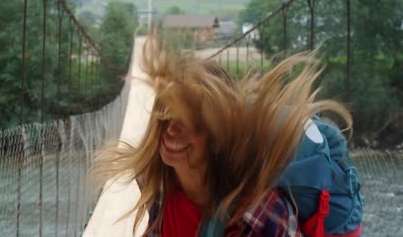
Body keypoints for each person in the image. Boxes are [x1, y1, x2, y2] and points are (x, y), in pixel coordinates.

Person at [93, 35, 353, 237]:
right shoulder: (160, 190)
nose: (171, 130)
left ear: (219, 137)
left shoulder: (260, 212)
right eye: (166, 116)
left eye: (191, 123)